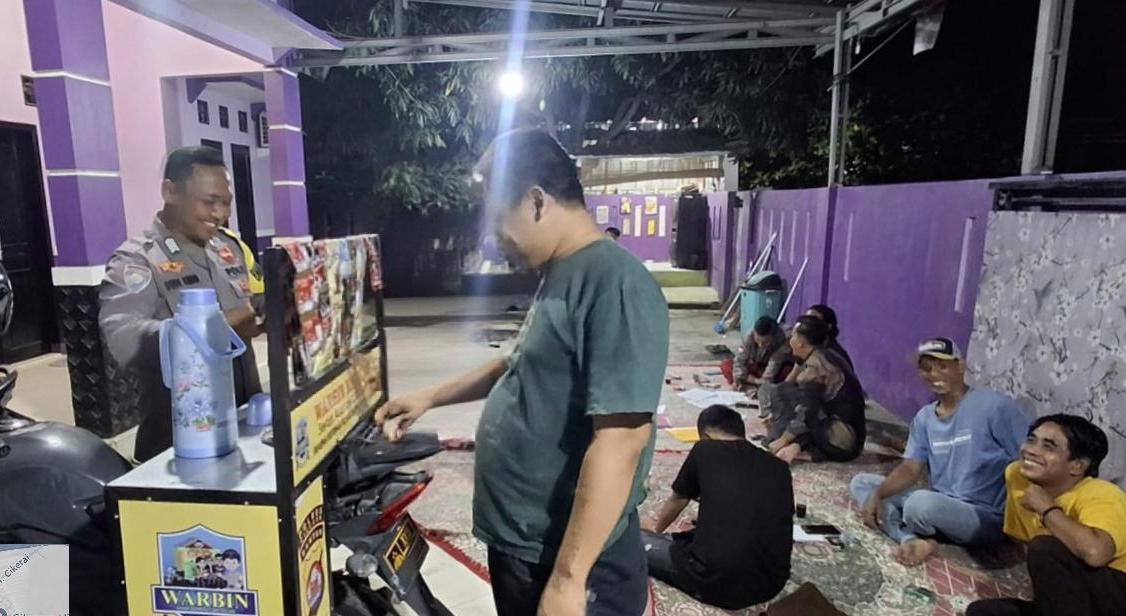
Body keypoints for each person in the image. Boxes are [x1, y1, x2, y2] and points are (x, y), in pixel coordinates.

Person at [375, 129, 669, 616]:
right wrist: (430, 396)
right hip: (527, 544)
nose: (494, 239)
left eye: (497, 220)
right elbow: (516, 364)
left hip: (569, 563)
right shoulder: (561, 271)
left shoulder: (614, 283)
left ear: (536, 201)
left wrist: (569, 581)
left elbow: (622, 440)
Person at [99, 146, 263, 462]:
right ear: (170, 192)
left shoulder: (228, 249)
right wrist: (218, 327)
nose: (220, 213)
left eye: (226, 203)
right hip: (179, 444)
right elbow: (122, 340)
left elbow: (249, 317)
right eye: (209, 202)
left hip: (243, 426)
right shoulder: (138, 260)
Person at [849, 337, 1029, 566]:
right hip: (941, 502)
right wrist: (878, 494)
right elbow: (910, 469)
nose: (933, 374)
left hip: (983, 516)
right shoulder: (925, 417)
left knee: (918, 505)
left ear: (960, 366)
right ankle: (910, 539)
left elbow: (1027, 458)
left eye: (942, 366)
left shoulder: (994, 406)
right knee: (862, 483)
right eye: (926, 368)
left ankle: (916, 528)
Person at [966, 415, 1126, 616]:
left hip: (1116, 593)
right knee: (982, 612)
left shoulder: (1102, 494)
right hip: (1073, 600)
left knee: (1045, 548)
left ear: (1077, 466)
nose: (1031, 451)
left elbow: (1096, 554)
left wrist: (1047, 509)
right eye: (1031, 440)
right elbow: (1021, 539)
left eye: (1048, 447)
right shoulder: (1017, 475)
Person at [641, 405, 793, 610]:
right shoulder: (779, 467)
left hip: (714, 581)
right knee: (691, 538)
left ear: (705, 436)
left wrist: (655, 527)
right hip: (771, 582)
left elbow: (679, 498)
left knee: (630, 540)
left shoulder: (704, 449)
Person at [763, 316, 866, 464]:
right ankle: (799, 445)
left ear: (800, 343)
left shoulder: (815, 368)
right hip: (847, 433)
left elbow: (806, 411)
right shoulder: (827, 354)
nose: (790, 339)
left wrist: (783, 439)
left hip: (843, 441)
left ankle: (798, 446)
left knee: (797, 409)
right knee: (783, 391)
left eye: (793, 336)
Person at [732, 316, 793, 393]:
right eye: (757, 340)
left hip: (776, 368)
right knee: (727, 365)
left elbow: (774, 363)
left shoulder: (785, 338)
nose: (760, 345)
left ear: (774, 337)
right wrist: (745, 378)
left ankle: (749, 385)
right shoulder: (750, 335)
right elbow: (739, 360)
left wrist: (762, 381)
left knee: (787, 372)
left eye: (765, 342)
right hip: (757, 366)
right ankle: (748, 384)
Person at [804, 304, 853, 371]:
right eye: (805, 320)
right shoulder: (809, 348)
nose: (807, 325)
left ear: (828, 326)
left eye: (813, 321)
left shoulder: (832, 357)